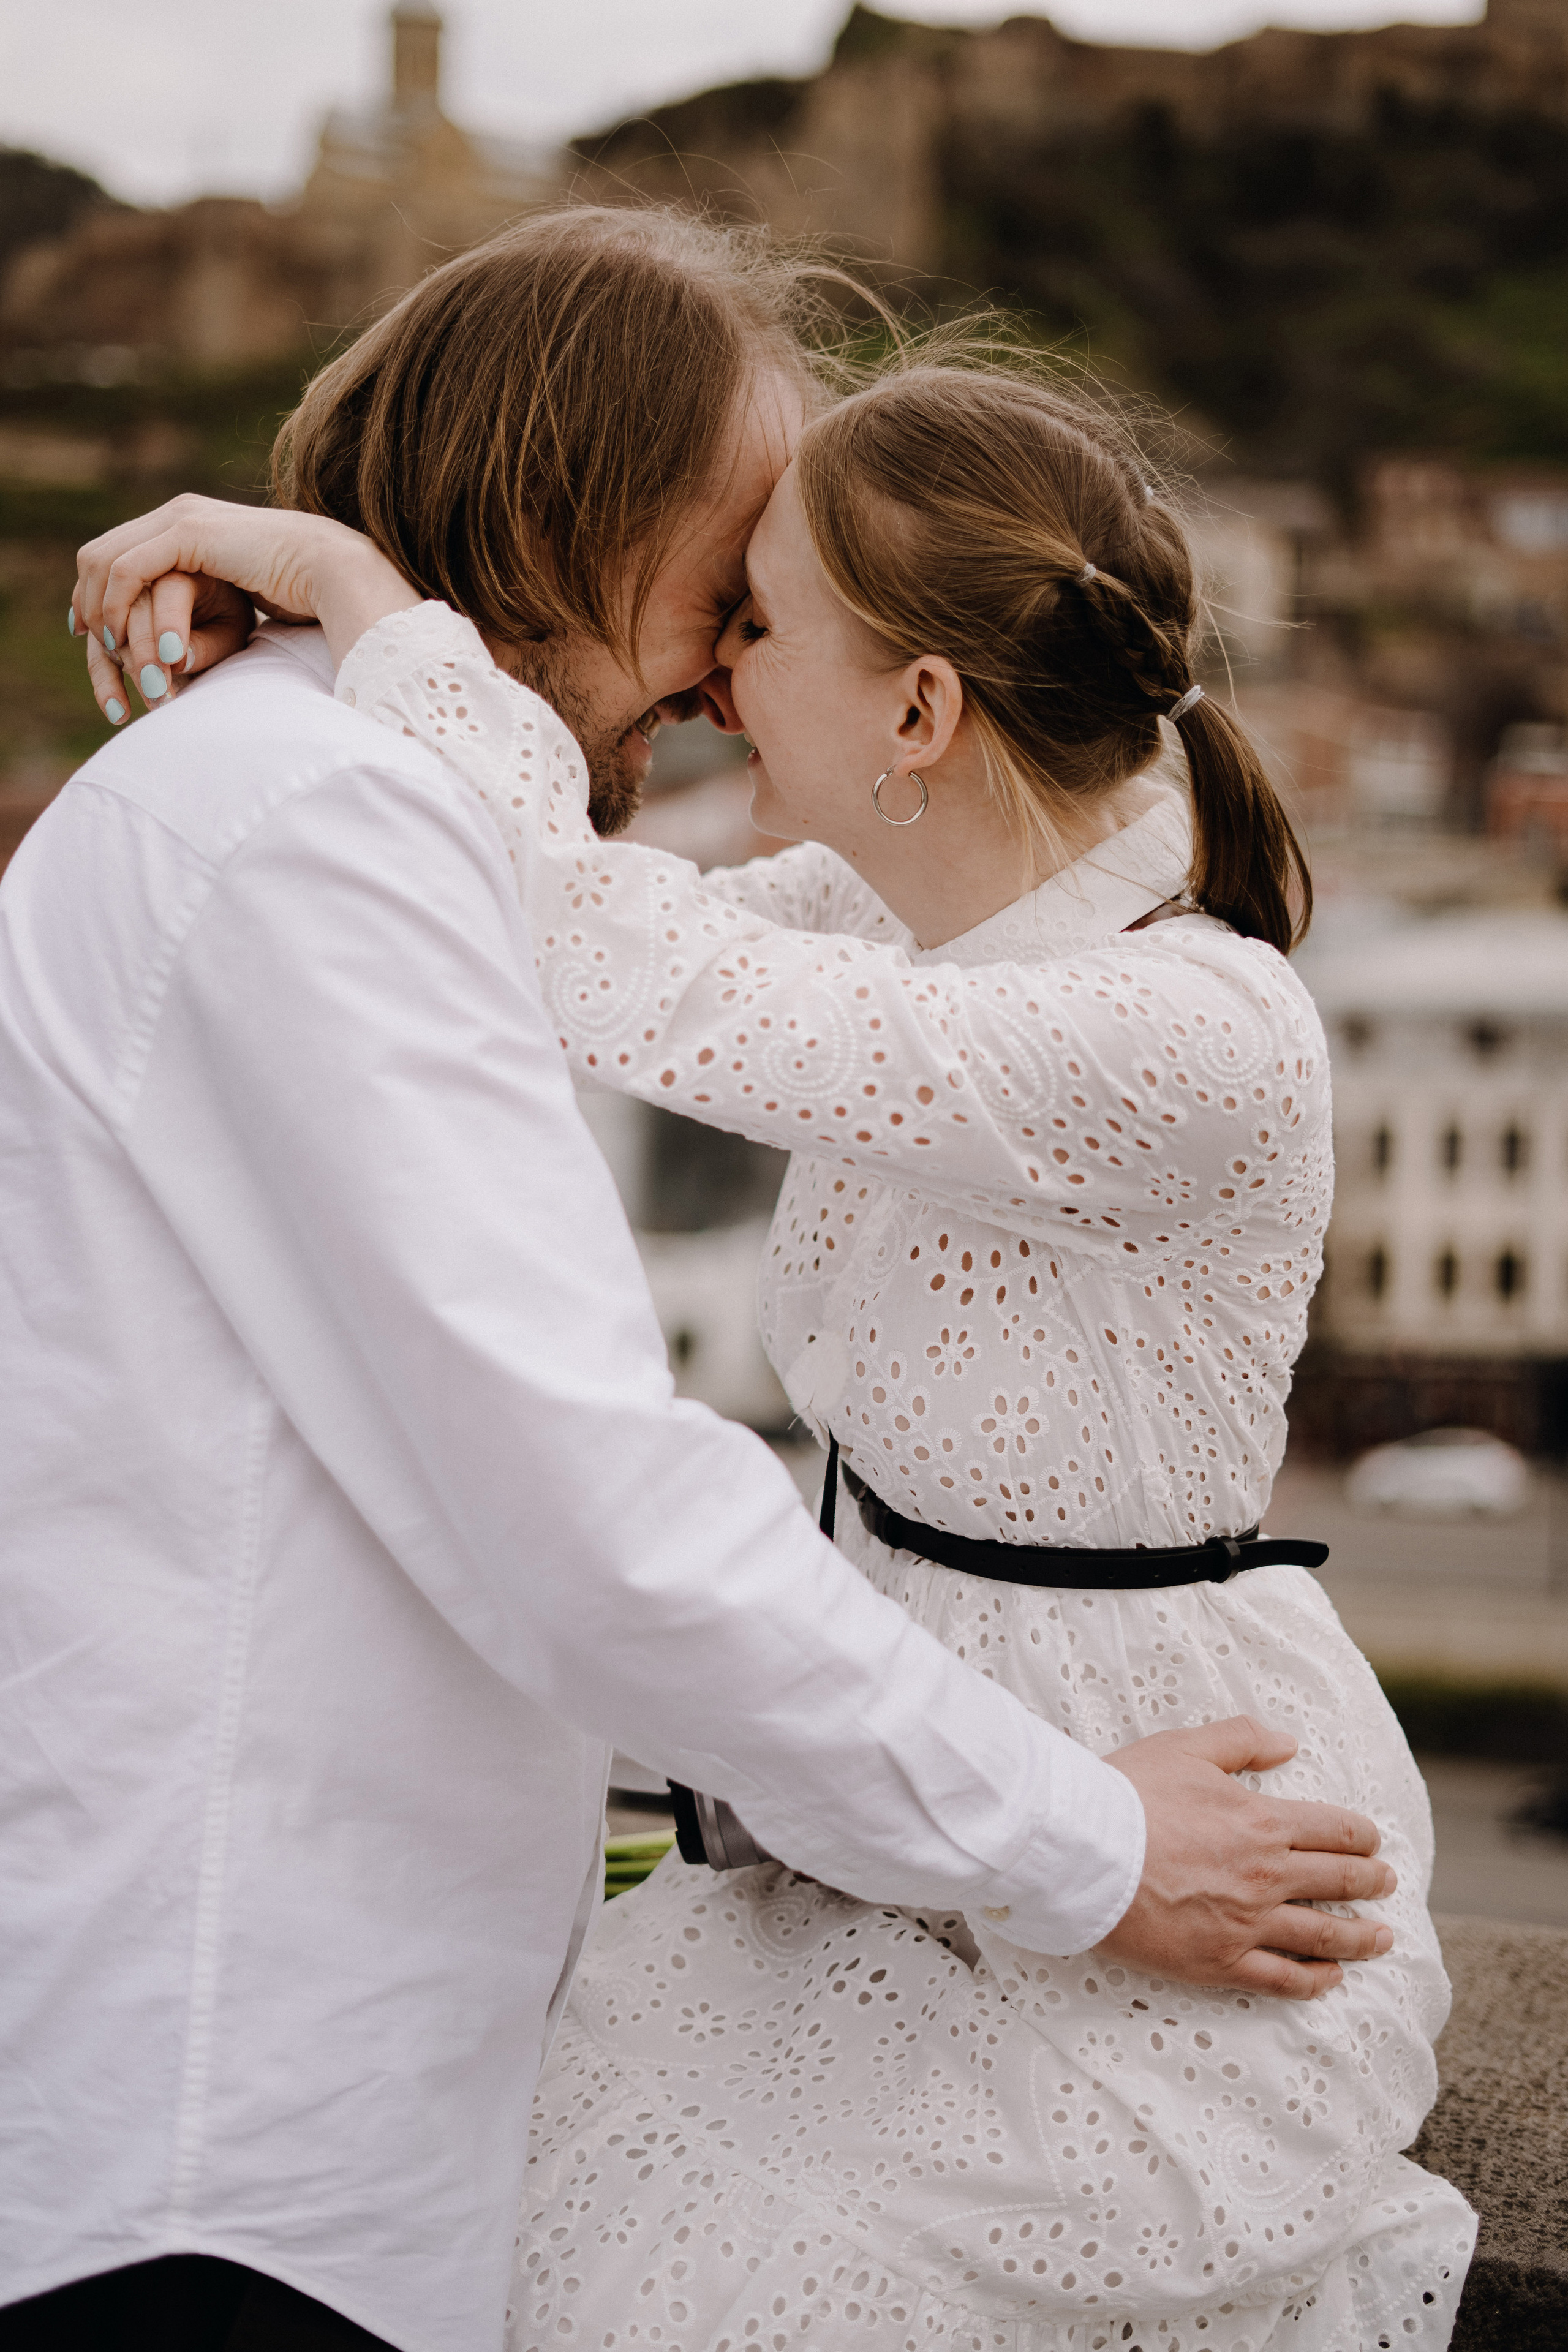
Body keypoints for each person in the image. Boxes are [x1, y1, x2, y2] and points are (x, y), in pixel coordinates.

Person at [0, 210, 1400, 2352]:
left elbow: (648, 957)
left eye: (776, 611)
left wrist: (380, 618)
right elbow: (592, 1509)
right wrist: (1076, 1844)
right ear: (576, 524)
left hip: (322, 2078)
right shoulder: (340, 824)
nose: (730, 668)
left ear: (923, 699)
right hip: (239, 2124)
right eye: (725, 585)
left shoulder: (360, 805)